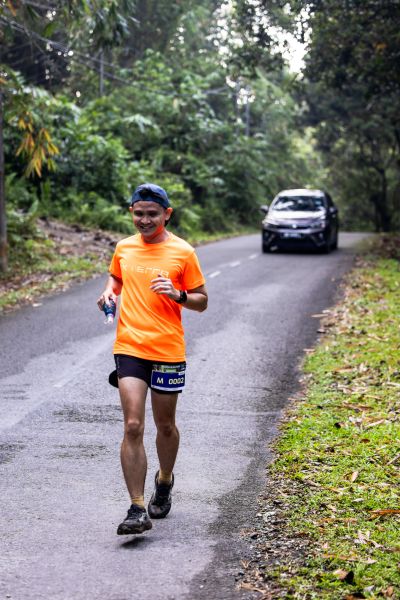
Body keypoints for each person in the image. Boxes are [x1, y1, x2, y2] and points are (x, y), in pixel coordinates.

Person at [97, 183, 208, 535]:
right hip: (129, 346)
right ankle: (136, 507)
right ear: (132, 212)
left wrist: (177, 294)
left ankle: (165, 479)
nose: (145, 220)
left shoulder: (183, 252)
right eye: (139, 213)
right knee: (132, 425)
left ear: (167, 214)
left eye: (152, 214)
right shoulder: (124, 247)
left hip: (167, 349)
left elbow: (202, 301)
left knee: (165, 426)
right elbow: (116, 279)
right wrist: (108, 294)